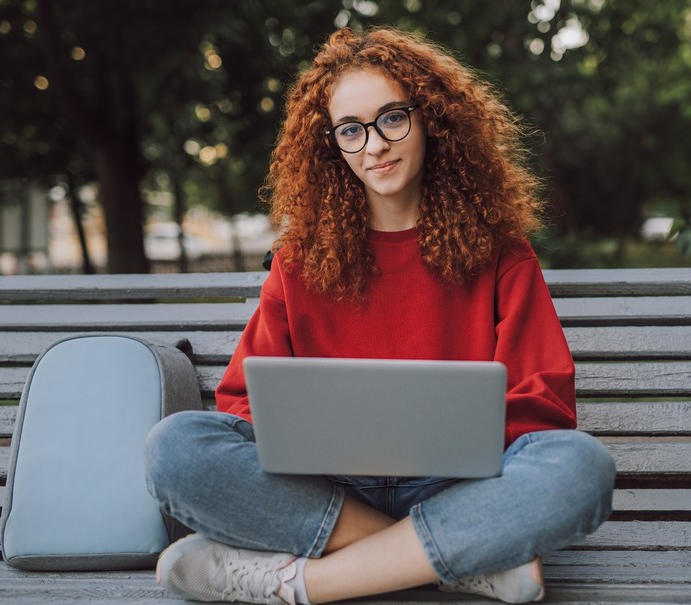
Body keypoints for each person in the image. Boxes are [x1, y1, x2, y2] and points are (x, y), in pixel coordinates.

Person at [144, 26, 615, 605]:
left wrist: (466, 444)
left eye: (392, 118)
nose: (374, 145)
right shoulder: (298, 261)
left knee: (580, 468)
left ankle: (298, 583)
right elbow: (241, 401)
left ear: (431, 119)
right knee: (174, 448)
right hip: (325, 489)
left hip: (459, 485)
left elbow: (544, 401)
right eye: (351, 130)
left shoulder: (501, 252)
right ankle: (457, 559)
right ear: (331, 146)